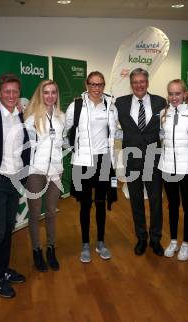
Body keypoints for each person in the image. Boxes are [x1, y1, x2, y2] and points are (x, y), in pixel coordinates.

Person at [0, 73, 29, 298]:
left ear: (19, 93)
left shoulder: (22, 116)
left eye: (15, 91)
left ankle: (3, 270)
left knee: (8, 229)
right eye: (7, 91)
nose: (11, 95)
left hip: (15, 180)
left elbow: (28, 146)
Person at [65, 71, 117, 263]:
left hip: (103, 160)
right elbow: (65, 130)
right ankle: (85, 244)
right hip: (83, 163)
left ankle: (101, 242)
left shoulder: (110, 105)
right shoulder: (76, 106)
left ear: (104, 86)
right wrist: (73, 149)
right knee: (85, 205)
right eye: (93, 84)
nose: (97, 88)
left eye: (100, 84)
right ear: (87, 85)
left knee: (101, 204)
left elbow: (113, 131)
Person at [115, 68, 166, 256]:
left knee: (155, 201)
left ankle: (155, 239)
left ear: (147, 82)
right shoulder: (120, 103)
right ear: (131, 84)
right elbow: (109, 124)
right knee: (135, 200)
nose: (139, 85)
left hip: (153, 157)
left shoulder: (160, 102)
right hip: (132, 158)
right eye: (135, 82)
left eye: (142, 81)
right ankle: (141, 238)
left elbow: (167, 127)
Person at [24, 80, 64, 272]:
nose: (50, 96)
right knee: (34, 213)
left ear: (57, 95)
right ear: (40, 94)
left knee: (51, 212)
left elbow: (61, 142)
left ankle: (51, 249)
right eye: (46, 92)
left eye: (53, 92)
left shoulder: (61, 117)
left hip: (55, 171)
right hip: (35, 172)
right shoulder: (31, 118)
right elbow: (24, 147)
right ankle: (36, 250)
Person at [158, 79, 188, 261]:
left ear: (184, 94)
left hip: (187, 168)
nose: (174, 97)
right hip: (167, 167)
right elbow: (162, 138)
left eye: (177, 93)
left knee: (187, 207)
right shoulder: (163, 113)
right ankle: (174, 241)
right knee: (173, 205)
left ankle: (185, 244)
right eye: (171, 93)